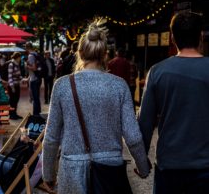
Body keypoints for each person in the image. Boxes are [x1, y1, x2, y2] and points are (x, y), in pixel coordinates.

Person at [42, 19, 150, 193]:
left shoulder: (62, 86)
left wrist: (48, 174)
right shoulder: (119, 85)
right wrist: (143, 167)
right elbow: (133, 136)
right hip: (109, 170)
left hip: (72, 170)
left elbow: (51, 137)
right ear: (105, 54)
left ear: (80, 53)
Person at [138, 11, 209, 194]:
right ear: (201, 35)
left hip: (169, 166)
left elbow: (145, 122)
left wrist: (141, 159)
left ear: (172, 37)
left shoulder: (157, 72)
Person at [25, 42, 41, 116]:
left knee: (35, 98)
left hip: (34, 79)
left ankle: (36, 114)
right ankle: (38, 113)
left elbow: (34, 68)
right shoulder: (36, 54)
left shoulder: (31, 55)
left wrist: (27, 66)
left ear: (27, 48)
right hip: (38, 77)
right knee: (37, 97)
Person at [8, 52, 23, 120]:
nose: (20, 59)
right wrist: (12, 87)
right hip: (13, 86)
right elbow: (10, 77)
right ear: (17, 57)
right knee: (12, 101)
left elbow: (18, 76)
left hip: (17, 85)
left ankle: (14, 113)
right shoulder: (11, 64)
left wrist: (23, 79)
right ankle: (12, 115)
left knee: (16, 100)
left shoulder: (17, 65)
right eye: (20, 57)